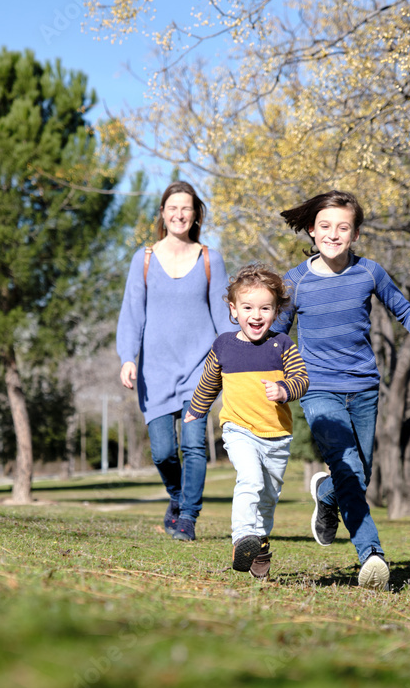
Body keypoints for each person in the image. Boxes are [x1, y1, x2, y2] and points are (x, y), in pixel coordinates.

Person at [275, 190, 410, 589]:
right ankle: (371, 555)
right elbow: (278, 338)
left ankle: (327, 497)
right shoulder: (295, 282)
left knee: (362, 471)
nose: (333, 235)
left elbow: (404, 309)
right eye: (325, 227)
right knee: (350, 468)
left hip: (364, 388)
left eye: (343, 227)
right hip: (318, 388)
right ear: (311, 230)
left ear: (355, 234)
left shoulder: (369, 272)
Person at [116, 181, 233, 542]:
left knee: (195, 444)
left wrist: (236, 357)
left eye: (187, 208)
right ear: (163, 214)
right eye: (173, 208)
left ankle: (188, 517)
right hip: (155, 370)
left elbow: (223, 318)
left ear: (196, 214)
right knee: (164, 451)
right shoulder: (145, 258)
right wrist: (127, 358)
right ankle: (177, 495)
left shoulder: (210, 258)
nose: (179, 214)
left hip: (200, 367)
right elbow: (132, 314)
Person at [184, 264, 309, 578]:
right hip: (239, 429)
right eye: (248, 307)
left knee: (268, 499)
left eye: (265, 308)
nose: (256, 315)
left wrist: (284, 389)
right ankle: (242, 537)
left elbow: (302, 378)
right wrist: (196, 410)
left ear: (276, 310)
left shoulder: (282, 344)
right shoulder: (224, 345)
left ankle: (258, 546)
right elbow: (209, 381)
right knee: (250, 480)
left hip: (277, 435)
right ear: (233, 309)